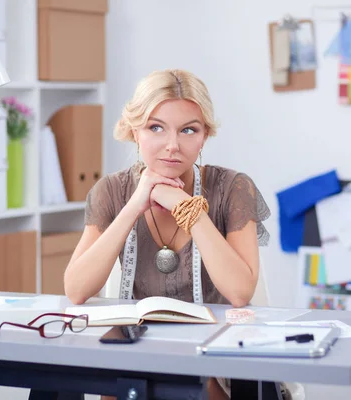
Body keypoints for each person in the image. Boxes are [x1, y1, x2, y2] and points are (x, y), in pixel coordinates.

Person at [63, 69, 272, 399]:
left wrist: (187, 209)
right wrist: (134, 206)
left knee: (196, 386)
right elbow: (75, 290)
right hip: (137, 356)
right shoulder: (112, 191)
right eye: (156, 127)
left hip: (214, 363)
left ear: (204, 137)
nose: (172, 146)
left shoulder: (233, 188)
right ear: (135, 131)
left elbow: (239, 292)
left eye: (189, 130)